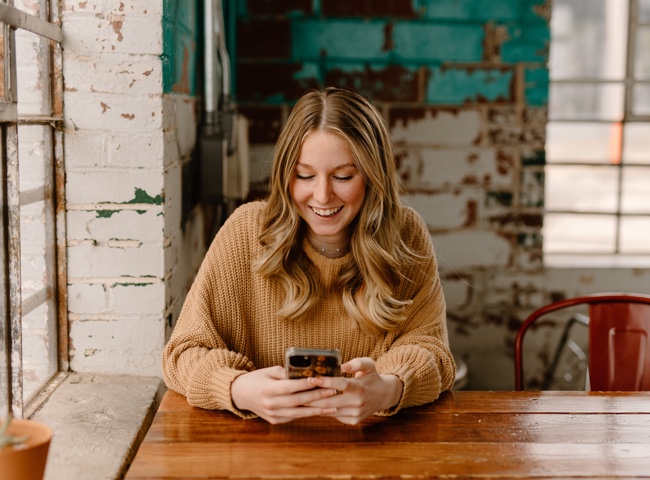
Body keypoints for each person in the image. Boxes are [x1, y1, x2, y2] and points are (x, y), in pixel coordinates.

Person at [162, 87, 455, 425]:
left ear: (374, 178)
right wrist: (238, 388)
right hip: (257, 451)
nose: (322, 195)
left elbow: (434, 353)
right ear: (286, 174)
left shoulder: (406, 234)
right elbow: (182, 353)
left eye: (344, 176)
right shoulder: (245, 232)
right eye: (304, 175)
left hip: (371, 449)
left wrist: (388, 389)